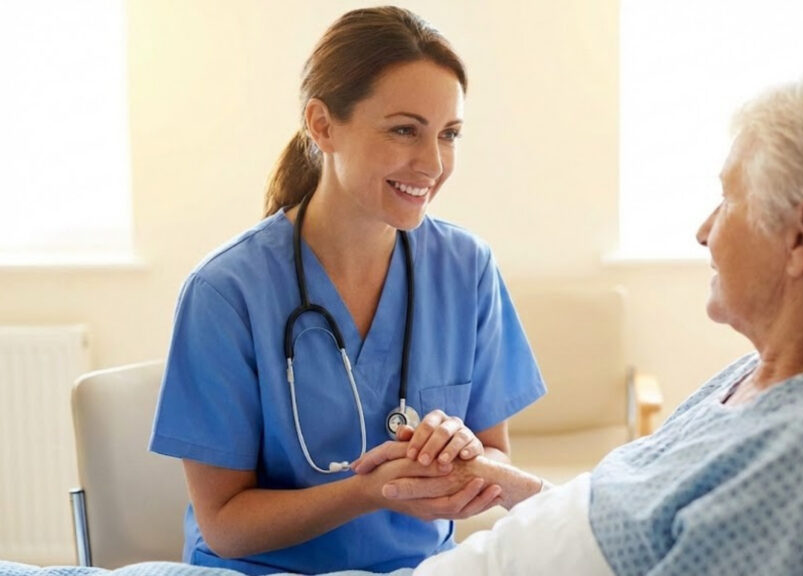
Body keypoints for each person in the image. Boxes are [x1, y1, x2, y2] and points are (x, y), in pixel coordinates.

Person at [353, 70, 803, 575]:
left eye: (730, 199)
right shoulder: (763, 377)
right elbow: (641, 528)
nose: (705, 230)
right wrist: (500, 481)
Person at [149, 6, 545, 575]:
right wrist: (370, 492)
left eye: (449, 134)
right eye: (404, 129)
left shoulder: (467, 268)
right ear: (323, 125)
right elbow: (226, 527)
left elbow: (495, 455)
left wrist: (458, 452)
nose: (432, 163)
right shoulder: (226, 291)